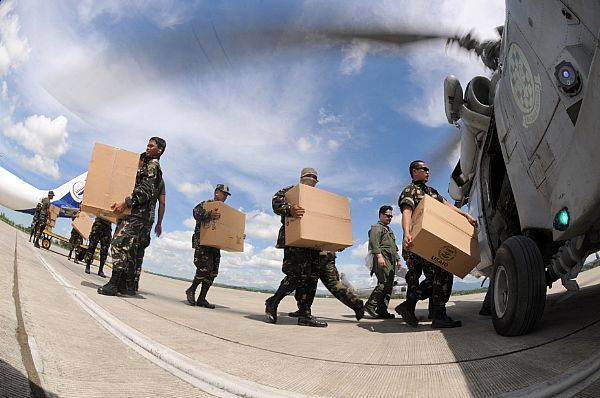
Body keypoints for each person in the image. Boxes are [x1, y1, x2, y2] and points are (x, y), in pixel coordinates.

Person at [395, 160, 477, 328]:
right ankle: (435, 315)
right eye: (424, 169)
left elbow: (446, 205)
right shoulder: (410, 190)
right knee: (439, 275)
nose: (428, 172)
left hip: (432, 240)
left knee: (440, 276)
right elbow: (407, 212)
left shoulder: (431, 192)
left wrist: (465, 216)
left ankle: (411, 306)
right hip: (419, 242)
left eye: (428, 169)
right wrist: (407, 234)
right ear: (414, 172)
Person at [97, 136, 165, 296]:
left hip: (136, 214)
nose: (148, 147)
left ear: (159, 150)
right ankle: (123, 285)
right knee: (129, 249)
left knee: (118, 244)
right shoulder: (150, 166)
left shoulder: (152, 165)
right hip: (139, 215)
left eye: (151, 146)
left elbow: (146, 190)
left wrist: (126, 203)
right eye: (147, 145)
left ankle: (114, 284)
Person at [264, 167, 327, 328]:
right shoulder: (290, 191)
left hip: (314, 244)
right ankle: (273, 302)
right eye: (309, 176)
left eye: (315, 177)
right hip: (295, 241)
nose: (312, 179)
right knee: (296, 275)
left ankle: (305, 314)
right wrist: (290, 209)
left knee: (312, 279)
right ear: (301, 178)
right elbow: (276, 202)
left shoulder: (319, 199)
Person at [185, 184, 230, 308]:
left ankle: (202, 298)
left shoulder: (225, 211)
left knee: (213, 272)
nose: (225, 197)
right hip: (203, 241)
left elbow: (227, 227)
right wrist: (209, 214)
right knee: (204, 267)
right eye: (223, 193)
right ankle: (191, 290)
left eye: (226, 195)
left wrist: (237, 235)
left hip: (215, 245)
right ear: (216, 193)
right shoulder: (207, 203)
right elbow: (196, 212)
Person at [288, 251, 365, 321]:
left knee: (309, 281)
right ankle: (355, 302)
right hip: (328, 252)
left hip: (317, 252)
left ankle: (304, 310)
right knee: (331, 282)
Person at [133, 163, 166, 291]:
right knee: (140, 251)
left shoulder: (140, 175)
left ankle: (123, 280)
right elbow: (162, 203)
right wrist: (159, 223)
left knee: (128, 247)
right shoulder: (160, 181)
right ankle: (134, 283)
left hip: (135, 214)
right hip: (148, 218)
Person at [364, 206, 401, 319]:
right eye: (387, 215)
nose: (390, 218)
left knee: (389, 285)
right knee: (384, 282)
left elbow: (393, 247)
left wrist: (398, 259)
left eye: (391, 216)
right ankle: (370, 305)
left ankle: (382, 310)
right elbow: (374, 243)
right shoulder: (376, 228)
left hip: (391, 260)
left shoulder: (389, 230)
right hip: (382, 258)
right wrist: (379, 256)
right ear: (381, 215)